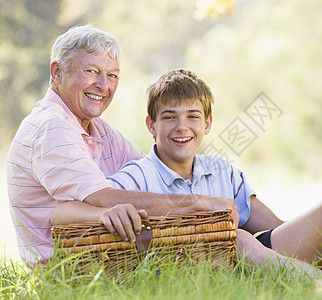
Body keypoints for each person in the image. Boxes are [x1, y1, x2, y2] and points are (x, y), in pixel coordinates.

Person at [52, 69, 322, 277]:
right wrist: (105, 212)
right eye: (169, 117)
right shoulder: (136, 178)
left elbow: (277, 226)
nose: (182, 128)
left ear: (208, 123)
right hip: (230, 263)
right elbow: (68, 208)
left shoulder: (222, 171)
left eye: (192, 117)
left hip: (262, 249)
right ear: (151, 125)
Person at [6, 25, 237, 268]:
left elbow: (154, 171)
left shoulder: (97, 128)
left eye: (112, 75)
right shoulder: (51, 126)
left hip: (107, 257)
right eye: (91, 71)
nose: (103, 85)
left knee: (238, 243)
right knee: (236, 247)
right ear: (57, 72)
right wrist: (199, 203)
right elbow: (104, 199)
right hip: (70, 272)